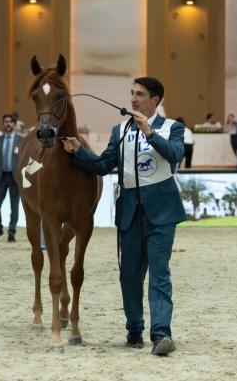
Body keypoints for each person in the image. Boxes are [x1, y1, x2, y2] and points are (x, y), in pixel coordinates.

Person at [62, 77, 186, 356]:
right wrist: (77, 152)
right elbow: (104, 165)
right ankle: (134, 329)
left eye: (139, 94)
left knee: (159, 273)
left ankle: (161, 334)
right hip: (129, 208)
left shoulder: (172, 127)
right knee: (129, 275)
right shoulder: (120, 130)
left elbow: (176, 155)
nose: (133, 99)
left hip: (162, 210)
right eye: (131, 93)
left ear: (155, 100)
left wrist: (151, 134)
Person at [0, 114, 23, 242]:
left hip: (15, 177)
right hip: (1, 176)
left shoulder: (21, 140)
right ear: (3, 123)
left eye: (10, 122)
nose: (8, 124)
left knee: (15, 206)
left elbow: (25, 160)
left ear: (14, 124)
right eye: (6, 121)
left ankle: (12, 231)